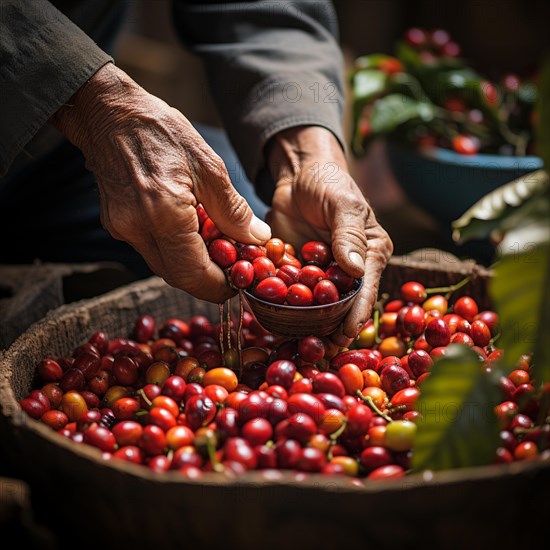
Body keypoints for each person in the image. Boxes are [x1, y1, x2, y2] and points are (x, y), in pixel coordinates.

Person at [0, 0, 392, 347]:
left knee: (271, 217)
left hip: (60, 150)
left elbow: (264, 8)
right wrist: (98, 108)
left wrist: (307, 154)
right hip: (57, 106)